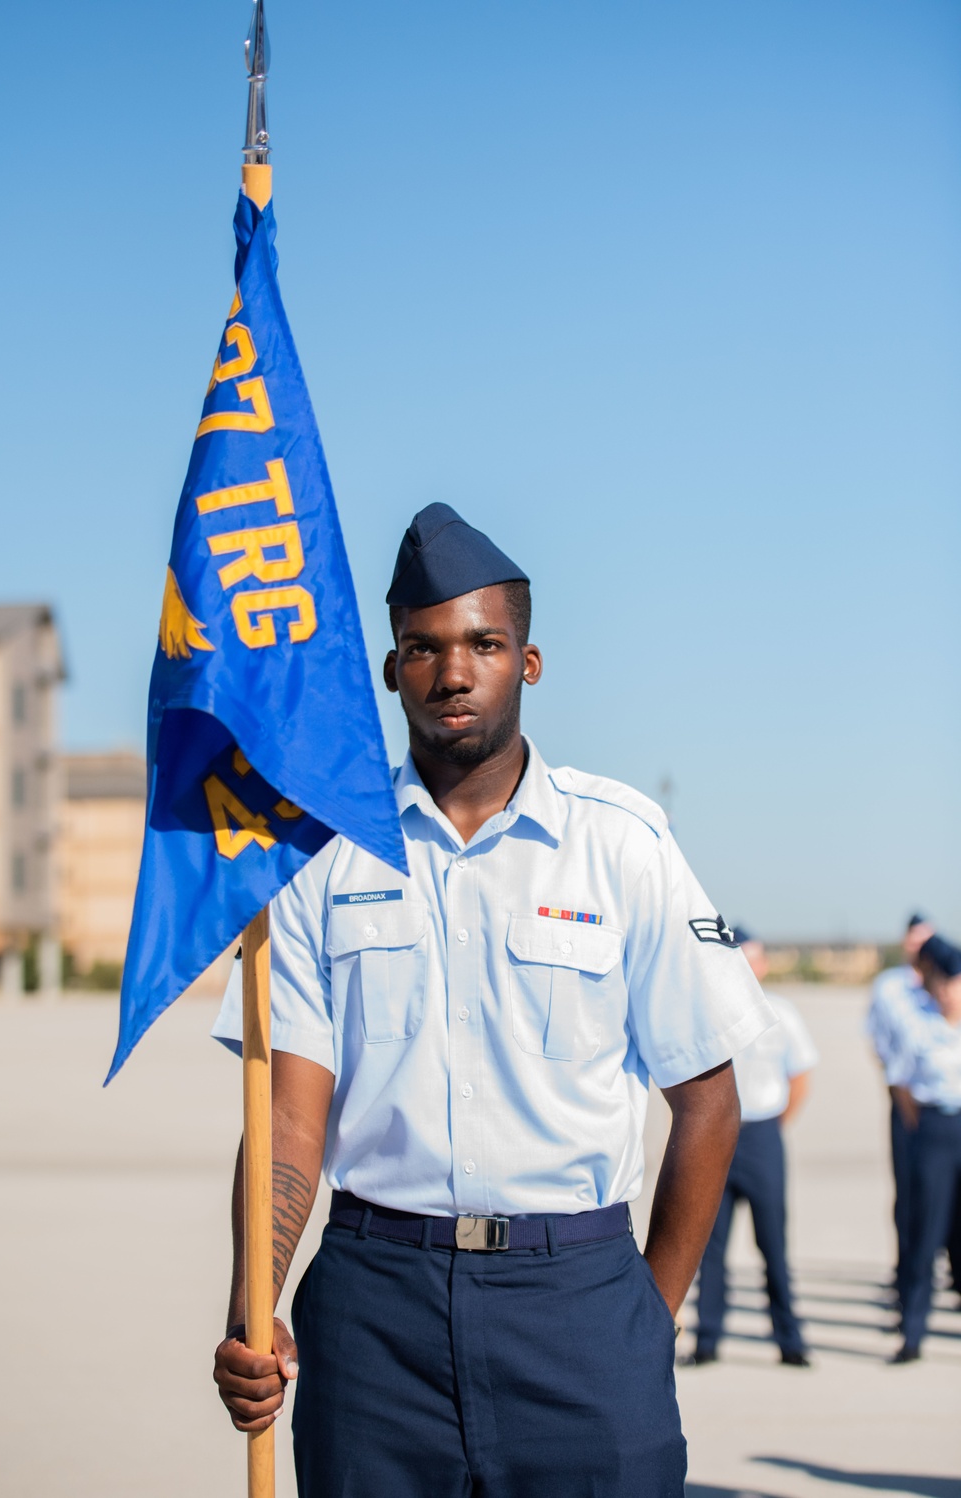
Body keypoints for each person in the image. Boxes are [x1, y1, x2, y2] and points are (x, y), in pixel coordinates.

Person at [211, 503, 775, 1497]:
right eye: (422, 648)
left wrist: (649, 1313)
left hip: (579, 1306)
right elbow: (290, 1120)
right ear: (391, 670)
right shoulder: (319, 859)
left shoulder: (622, 845)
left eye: (484, 643)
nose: (455, 673)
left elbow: (707, 1094)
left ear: (530, 659)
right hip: (373, 1307)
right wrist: (252, 1306)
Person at [687, 928, 817, 1367]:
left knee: (774, 1245)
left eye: (754, 959)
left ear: (762, 965)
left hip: (762, 1135)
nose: (747, 967)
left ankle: (789, 1340)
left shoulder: (781, 1012)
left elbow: (800, 1075)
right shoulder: (708, 1013)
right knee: (712, 1245)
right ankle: (707, 1340)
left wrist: (776, 1122)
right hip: (718, 1139)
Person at [889, 934, 961, 1363]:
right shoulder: (918, 1027)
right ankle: (912, 1333)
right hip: (934, 1129)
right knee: (924, 1233)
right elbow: (901, 1086)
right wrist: (924, 1126)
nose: (950, 992)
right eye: (944, 984)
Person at [866, 913, 935, 1303]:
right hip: (905, 1100)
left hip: (945, 1105)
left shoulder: (947, 982)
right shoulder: (889, 987)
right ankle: (906, 1272)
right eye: (914, 941)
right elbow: (879, 1043)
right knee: (908, 1191)